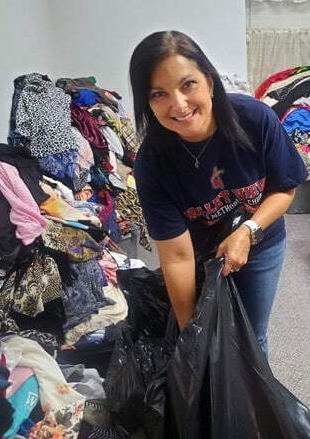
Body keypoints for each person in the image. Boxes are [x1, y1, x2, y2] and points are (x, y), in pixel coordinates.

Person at [129, 30, 308, 357]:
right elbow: (176, 256)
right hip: (197, 255)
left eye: (188, 84)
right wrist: (190, 336)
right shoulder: (152, 162)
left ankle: (254, 407)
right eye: (159, 93)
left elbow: (285, 188)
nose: (179, 105)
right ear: (147, 103)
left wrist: (248, 232)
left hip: (261, 240)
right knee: (207, 340)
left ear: (210, 82)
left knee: (253, 337)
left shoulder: (254, 118)